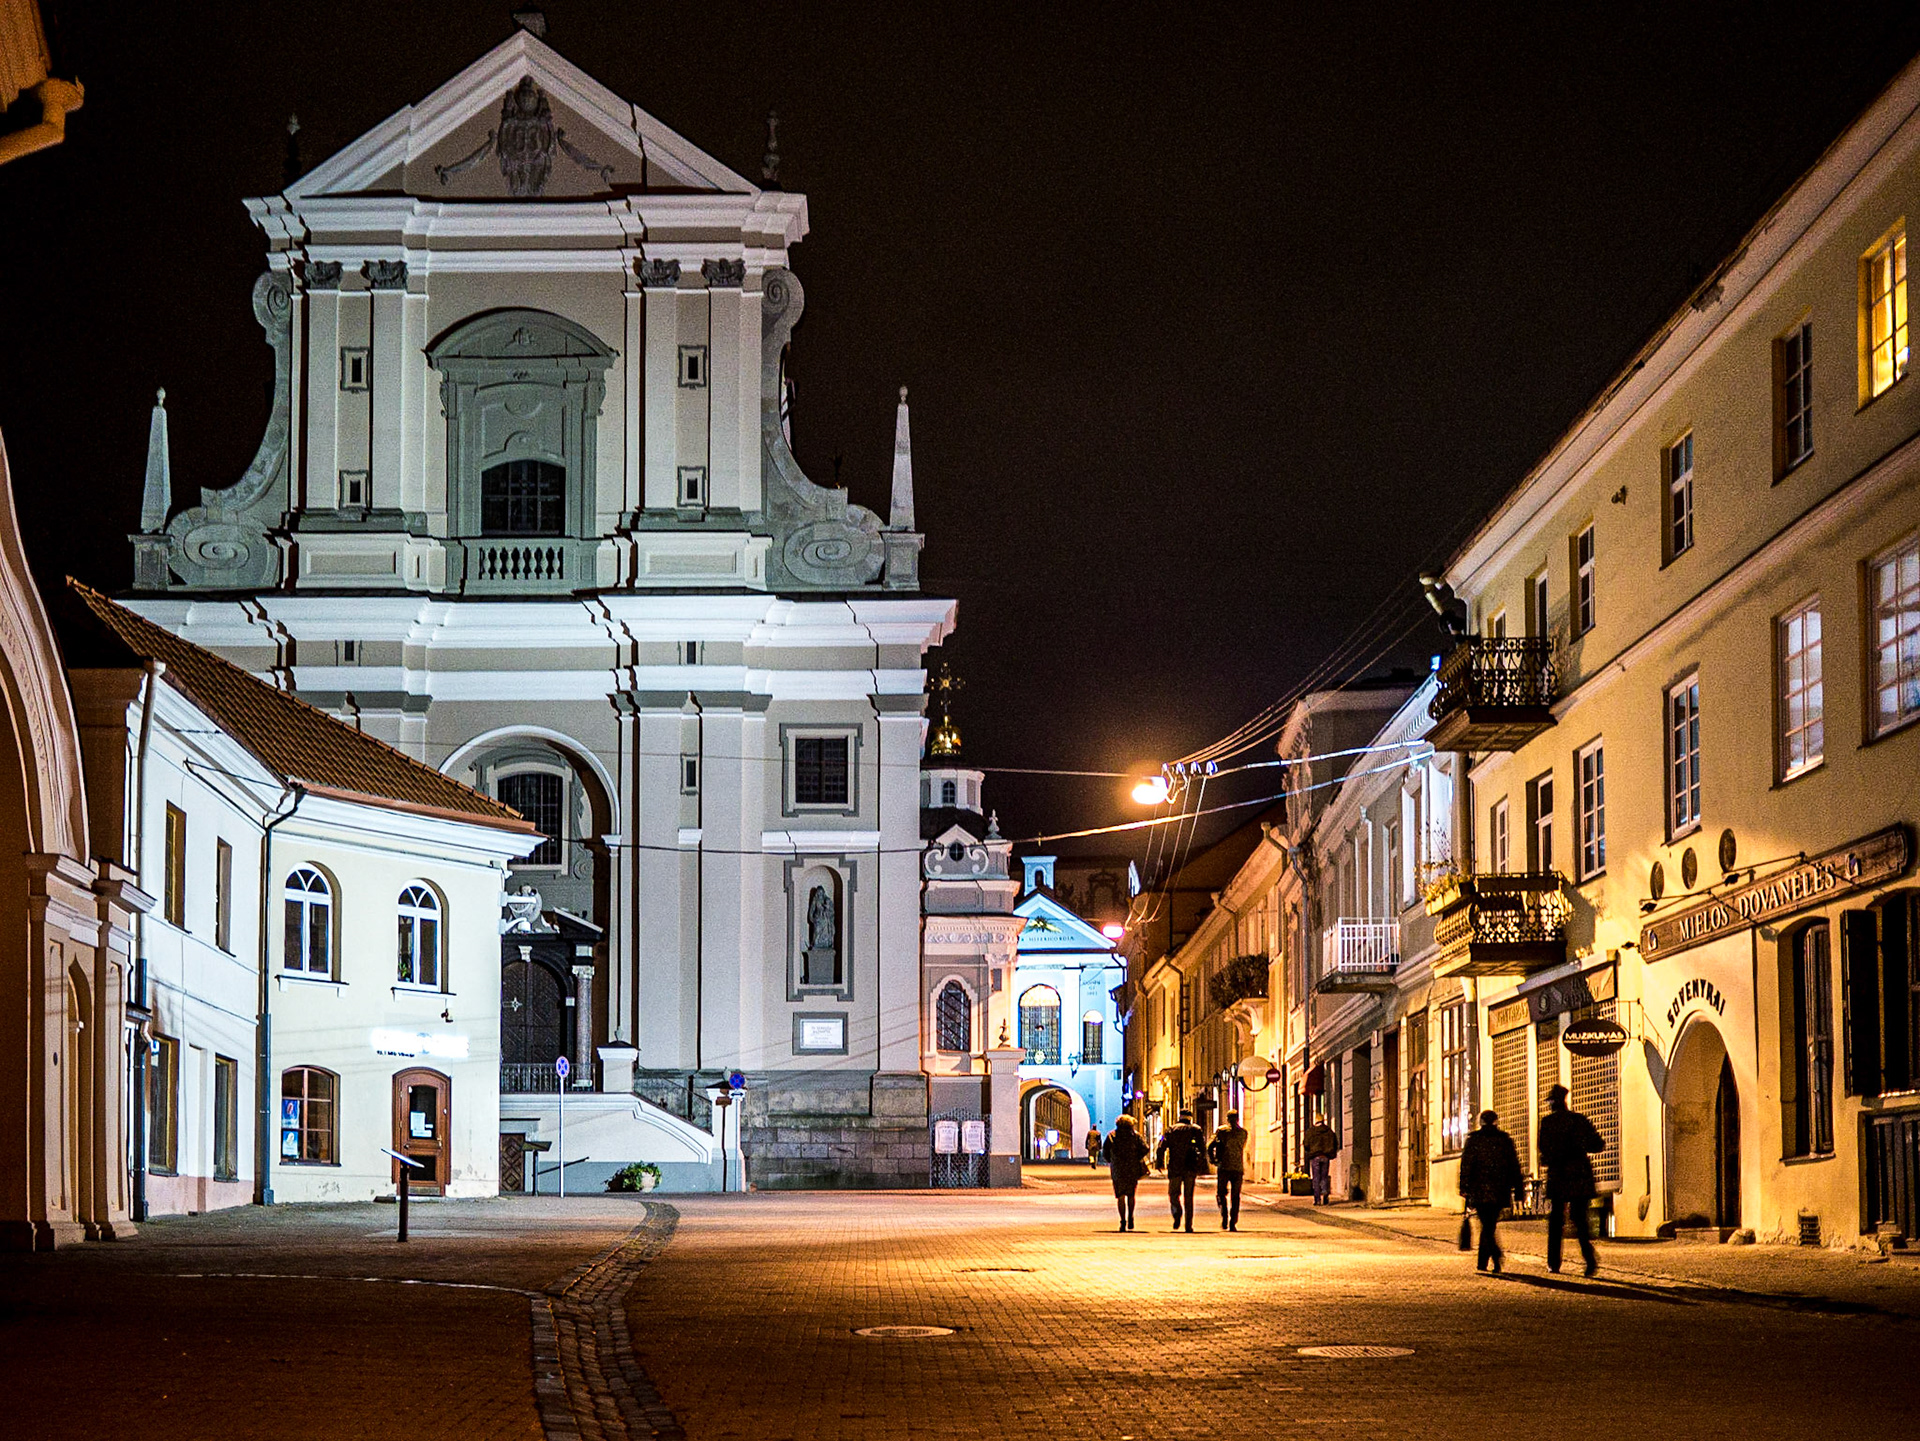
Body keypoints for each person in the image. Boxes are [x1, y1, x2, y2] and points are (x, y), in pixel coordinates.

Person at [1537, 1083, 1604, 1276]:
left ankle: (1553, 1263)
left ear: (1553, 1103)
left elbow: (1544, 1150)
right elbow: (1597, 1144)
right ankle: (1589, 1260)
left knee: (1556, 1221)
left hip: (1559, 1175)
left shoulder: (1548, 1123)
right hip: (1579, 1175)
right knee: (1580, 1220)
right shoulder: (1578, 1120)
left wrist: (1553, 1156)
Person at [1458, 1109, 1524, 1273]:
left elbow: (1466, 1165)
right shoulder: (1504, 1139)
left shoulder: (1474, 1140)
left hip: (1479, 1190)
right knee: (1489, 1224)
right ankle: (1489, 1260)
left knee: (1487, 1225)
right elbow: (1514, 1166)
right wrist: (1518, 1189)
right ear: (1495, 1121)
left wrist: (1464, 1186)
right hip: (1499, 1189)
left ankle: (1492, 1257)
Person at [1154, 1109, 1206, 1231]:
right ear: (1190, 1117)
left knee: (1173, 1194)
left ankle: (1177, 1212)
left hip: (1175, 1167)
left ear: (1180, 1116)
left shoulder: (1171, 1129)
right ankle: (1189, 1225)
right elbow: (1202, 1149)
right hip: (1190, 1167)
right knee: (1189, 1197)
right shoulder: (1196, 1129)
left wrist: (1159, 1162)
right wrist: (1200, 1164)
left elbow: (1161, 1147)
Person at [1103, 1115, 1150, 1231]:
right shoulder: (1135, 1135)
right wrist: (1137, 1157)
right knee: (1131, 1195)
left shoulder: (1112, 1135)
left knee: (1120, 1196)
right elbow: (1145, 1148)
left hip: (1118, 1169)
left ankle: (1123, 1220)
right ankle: (1131, 1217)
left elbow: (1105, 1152)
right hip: (1132, 1168)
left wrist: (1112, 1160)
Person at [1208, 1109, 1250, 1231]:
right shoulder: (1243, 1133)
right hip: (1237, 1167)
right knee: (1235, 1196)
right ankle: (1233, 1221)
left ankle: (1224, 1217)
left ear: (1228, 1119)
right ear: (1237, 1119)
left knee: (1221, 1193)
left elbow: (1210, 1146)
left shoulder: (1222, 1131)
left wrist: (1213, 1159)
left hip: (1224, 1167)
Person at [1302, 1113, 1339, 1205]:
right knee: (1324, 1176)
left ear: (1316, 1120)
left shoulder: (1311, 1132)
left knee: (1316, 1178)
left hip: (1315, 1157)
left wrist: (1310, 1150)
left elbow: (1306, 1144)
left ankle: (1317, 1199)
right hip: (1325, 1157)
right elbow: (1335, 1143)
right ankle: (1325, 1191)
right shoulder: (1329, 1131)